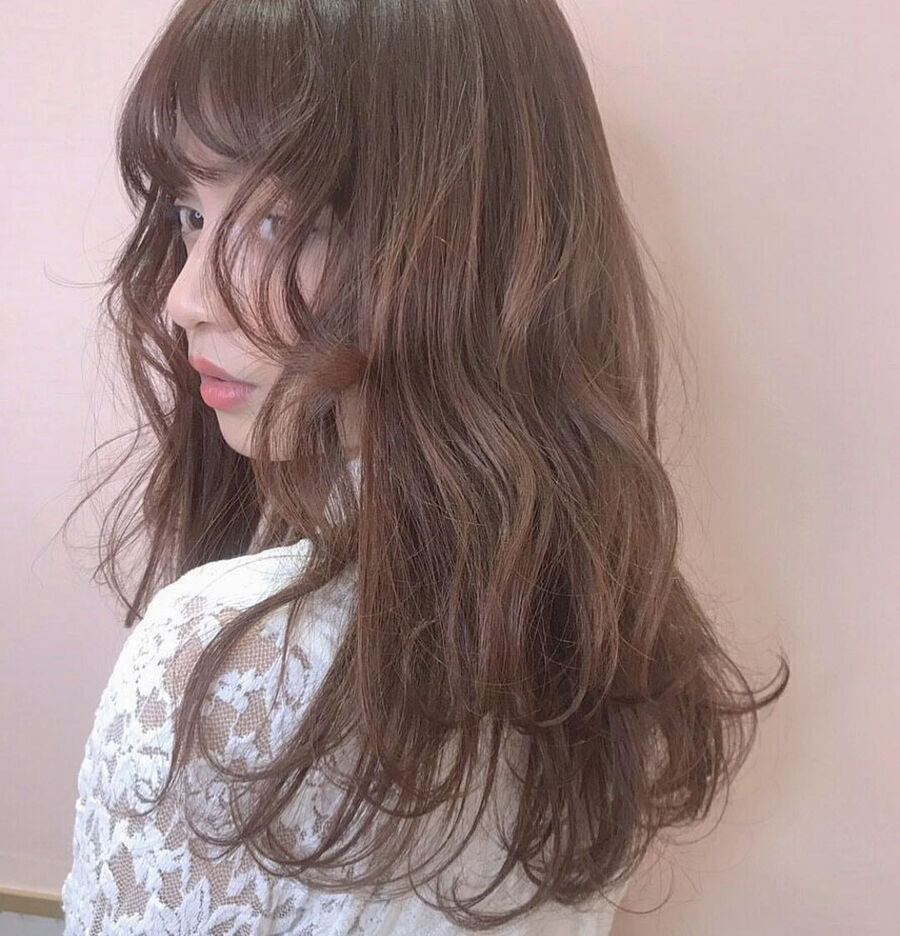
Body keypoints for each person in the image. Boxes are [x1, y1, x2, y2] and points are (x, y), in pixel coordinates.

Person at [59, 0, 790, 933]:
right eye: (190, 215)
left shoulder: (224, 661)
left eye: (281, 219)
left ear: (463, 245)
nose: (185, 295)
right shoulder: (606, 625)